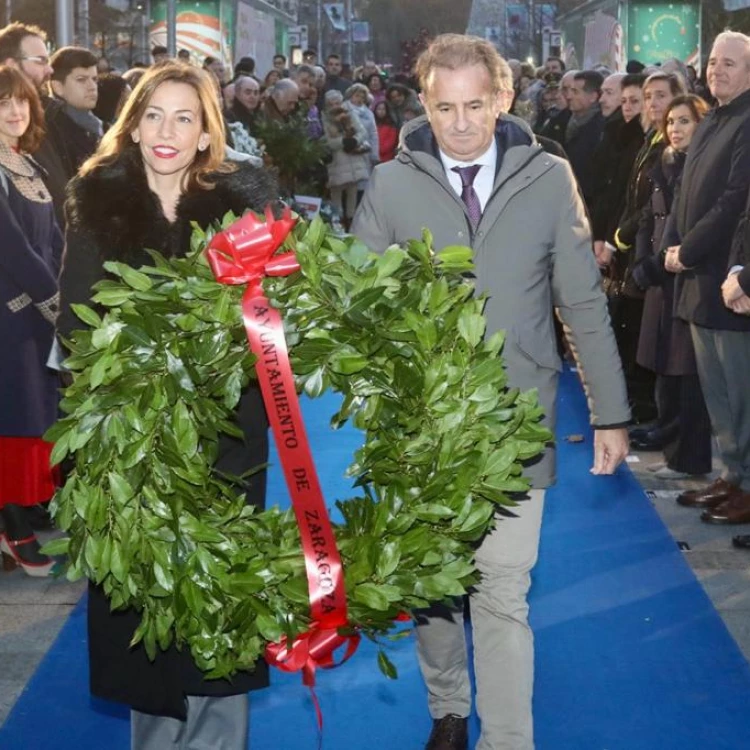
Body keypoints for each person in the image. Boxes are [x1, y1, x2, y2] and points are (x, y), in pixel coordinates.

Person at [352, 33, 629, 750]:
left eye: (477, 104)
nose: (463, 122)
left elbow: (583, 301)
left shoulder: (548, 179)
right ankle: (448, 705)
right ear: (425, 105)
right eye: (446, 108)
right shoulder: (390, 184)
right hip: (421, 426)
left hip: (518, 422)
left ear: (503, 98)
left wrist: (610, 410)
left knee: (503, 594)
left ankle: (507, 740)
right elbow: (358, 309)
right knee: (434, 588)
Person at [57, 62, 278, 750]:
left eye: (185, 117)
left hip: (228, 441)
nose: (167, 131)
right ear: (133, 122)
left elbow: (275, 317)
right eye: (154, 114)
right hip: (136, 447)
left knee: (219, 604)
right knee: (147, 612)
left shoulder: (248, 209)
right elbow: (75, 324)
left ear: (208, 128)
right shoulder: (99, 205)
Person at [663, 32, 750, 521]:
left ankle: (747, 482)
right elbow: (684, 193)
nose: (717, 70)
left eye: (730, 63)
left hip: (727, 279)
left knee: (741, 394)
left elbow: (734, 199)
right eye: (713, 62)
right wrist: (671, 247)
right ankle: (732, 476)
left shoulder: (747, 119)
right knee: (717, 392)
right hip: (696, 277)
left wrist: (689, 250)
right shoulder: (715, 116)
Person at [0, 66, 63, 577]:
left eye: (21, 101)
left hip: (40, 312)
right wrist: (50, 296)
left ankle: (19, 516)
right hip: (10, 314)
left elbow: (55, 238)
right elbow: (13, 248)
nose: (15, 111)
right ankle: (13, 523)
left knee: (37, 413)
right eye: (3, 103)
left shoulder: (28, 164)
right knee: (13, 419)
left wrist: (68, 288)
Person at [631, 94, 712, 480]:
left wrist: (662, 261)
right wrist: (642, 260)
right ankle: (671, 443)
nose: (676, 130)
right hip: (661, 272)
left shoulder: (700, 167)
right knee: (664, 364)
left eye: (684, 121)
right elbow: (650, 214)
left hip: (685, 273)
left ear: (701, 124)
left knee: (686, 370)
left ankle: (687, 455)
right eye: (671, 123)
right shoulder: (664, 162)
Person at [614, 71, 685, 431]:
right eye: (649, 97)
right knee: (640, 332)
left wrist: (623, 235)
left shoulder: (669, 149)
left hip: (658, 253)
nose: (652, 104)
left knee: (656, 337)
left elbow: (656, 207)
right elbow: (634, 196)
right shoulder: (651, 141)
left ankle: (653, 413)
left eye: (660, 96)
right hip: (641, 248)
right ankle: (647, 409)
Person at [46, 46, 102, 183]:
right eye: (81, 79)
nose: (92, 86)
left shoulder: (100, 126)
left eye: (94, 79)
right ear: (58, 87)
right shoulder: (50, 131)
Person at [323, 89, 371, 228]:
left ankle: (352, 223)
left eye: (338, 102)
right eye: (332, 104)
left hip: (353, 162)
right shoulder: (325, 119)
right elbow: (327, 142)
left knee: (352, 196)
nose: (335, 106)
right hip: (337, 163)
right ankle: (337, 223)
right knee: (336, 196)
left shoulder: (350, 114)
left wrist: (355, 140)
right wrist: (342, 141)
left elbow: (363, 131)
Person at [565, 70, 605, 208]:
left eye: (576, 92)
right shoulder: (568, 121)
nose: (569, 96)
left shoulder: (600, 128)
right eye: (570, 91)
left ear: (593, 96)